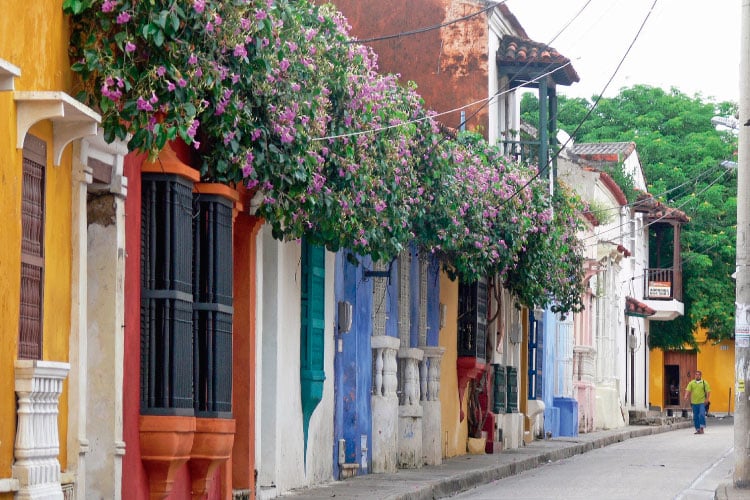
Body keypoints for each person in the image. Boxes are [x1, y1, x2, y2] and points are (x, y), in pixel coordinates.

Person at [684, 370, 711, 434]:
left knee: (701, 414)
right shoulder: (691, 383)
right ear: (695, 375)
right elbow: (688, 390)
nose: (697, 375)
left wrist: (707, 399)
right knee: (695, 416)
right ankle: (698, 429)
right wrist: (685, 396)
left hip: (702, 402)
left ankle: (702, 428)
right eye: (696, 374)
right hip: (694, 402)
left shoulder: (704, 383)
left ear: (700, 375)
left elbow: (708, 391)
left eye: (698, 374)